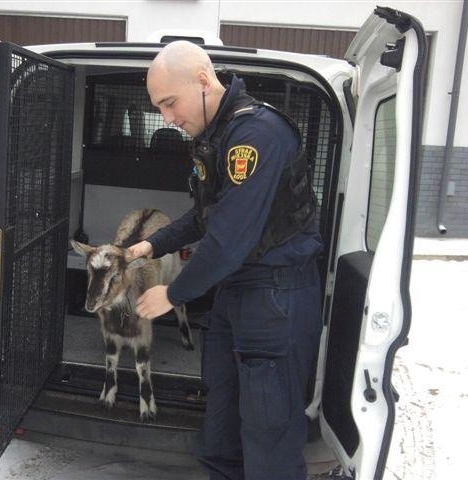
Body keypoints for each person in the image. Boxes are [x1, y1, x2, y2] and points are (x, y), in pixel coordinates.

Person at [130, 40, 323, 480]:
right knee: (222, 424)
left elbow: (229, 239)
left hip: (276, 296)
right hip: (237, 293)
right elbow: (204, 217)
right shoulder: (215, 138)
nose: (167, 119)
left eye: (169, 103)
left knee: (268, 432)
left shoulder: (257, 135)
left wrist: (173, 293)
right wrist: (152, 245)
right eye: (159, 108)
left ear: (202, 80)